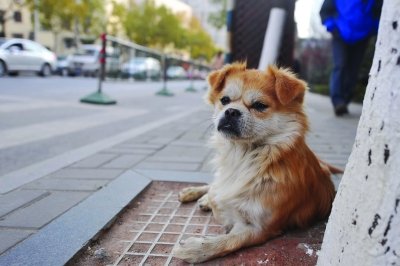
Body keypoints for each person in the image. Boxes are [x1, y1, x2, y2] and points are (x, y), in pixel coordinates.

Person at [320, 0, 382, 116]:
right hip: (340, 33)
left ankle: (345, 99)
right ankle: (338, 101)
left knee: (354, 69)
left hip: (363, 36)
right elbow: (325, 11)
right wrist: (332, 26)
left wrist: (373, 28)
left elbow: (379, 13)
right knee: (340, 65)